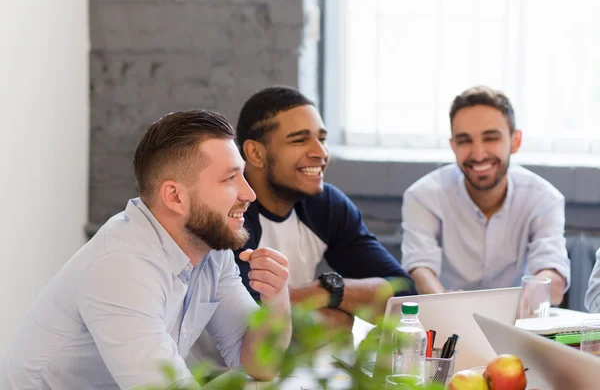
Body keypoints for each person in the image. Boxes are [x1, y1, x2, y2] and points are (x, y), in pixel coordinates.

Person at [1, 110, 291, 389]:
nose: (249, 193)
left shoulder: (211, 251)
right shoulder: (120, 267)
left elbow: (260, 364)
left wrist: (276, 300)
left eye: (242, 175)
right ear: (175, 197)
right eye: (230, 178)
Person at [233, 85, 416, 327]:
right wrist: (339, 319)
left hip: (291, 363)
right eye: (299, 140)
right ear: (255, 153)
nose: (320, 152)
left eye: (322, 139)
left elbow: (403, 297)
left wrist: (325, 291)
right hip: (216, 365)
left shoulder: (325, 205)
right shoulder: (231, 213)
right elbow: (250, 323)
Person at [401, 85, 570, 305]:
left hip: (518, 322)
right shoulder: (423, 197)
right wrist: (445, 305)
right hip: (447, 322)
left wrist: (516, 308)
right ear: (453, 146)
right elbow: (419, 269)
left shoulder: (544, 198)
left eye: (491, 138)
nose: (478, 154)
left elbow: (553, 280)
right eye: (464, 141)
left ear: (515, 141)